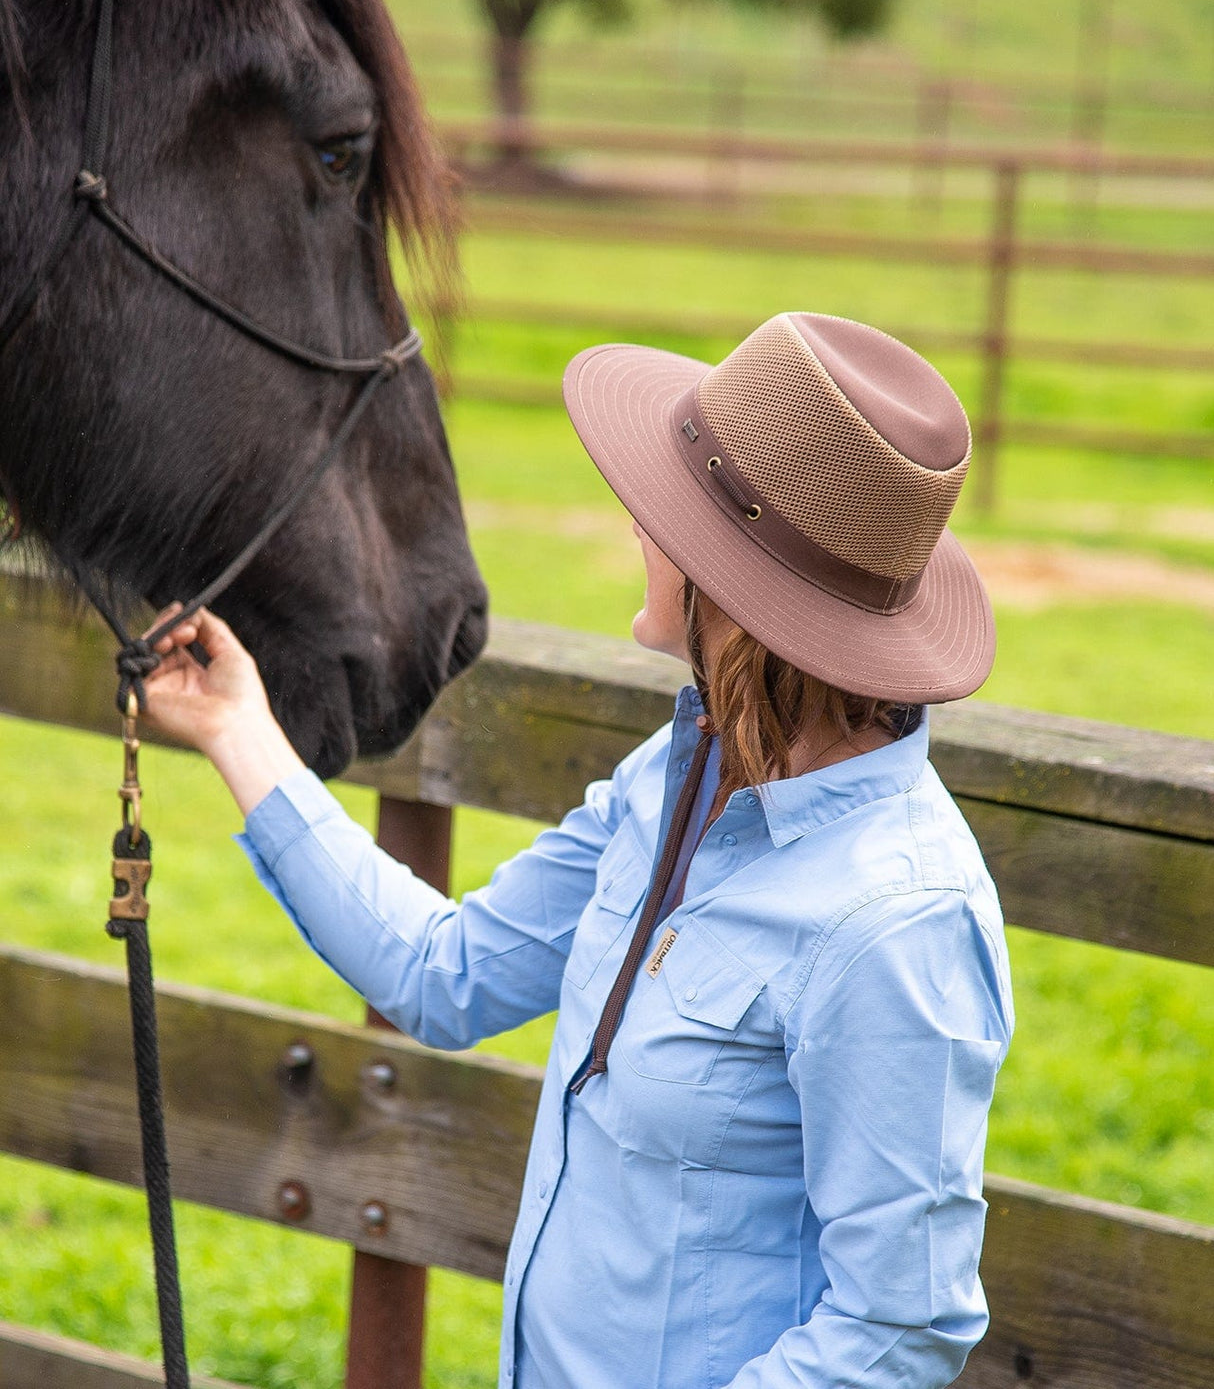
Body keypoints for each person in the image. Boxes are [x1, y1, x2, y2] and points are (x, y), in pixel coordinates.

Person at [143, 312, 1014, 1389]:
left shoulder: (895, 923)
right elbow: (443, 972)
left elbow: (896, 1328)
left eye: (663, 517)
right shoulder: (678, 773)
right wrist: (240, 729)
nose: (636, 526)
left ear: (732, 596)